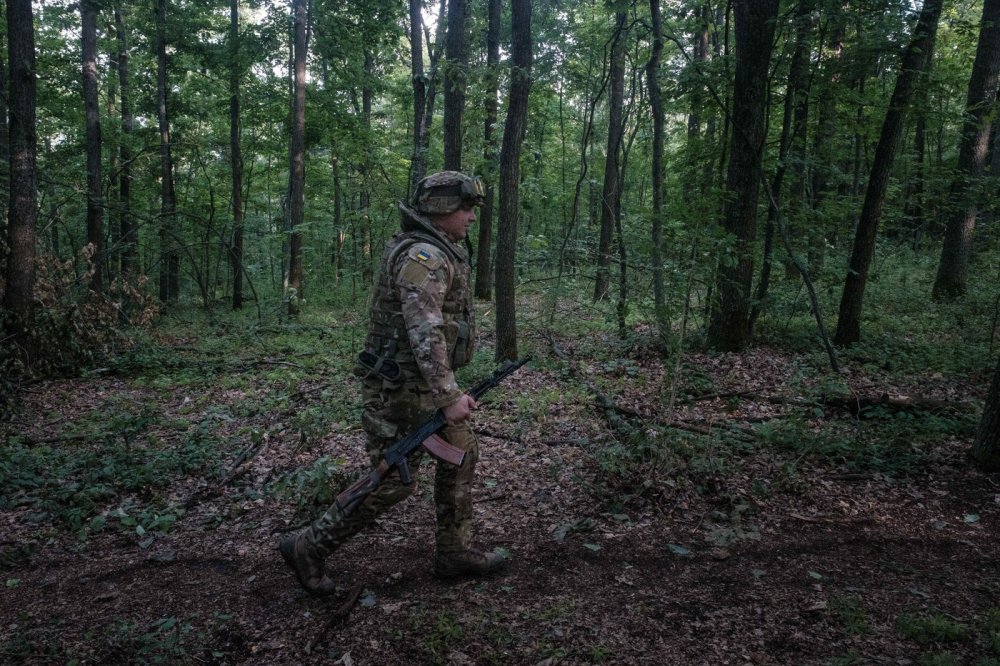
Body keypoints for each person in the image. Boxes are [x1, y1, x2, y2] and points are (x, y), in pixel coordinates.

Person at [279, 171, 505, 595]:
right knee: (392, 483)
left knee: (462, 453)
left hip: (420, 384)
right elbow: (426, 330)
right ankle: (310, 546)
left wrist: (445, 391)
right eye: (465, 208)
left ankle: (454, 552)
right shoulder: (425, 256)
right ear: (441, 209)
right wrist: (448, 394)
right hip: (400, 392)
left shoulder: (438, 250)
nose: (472, 217)